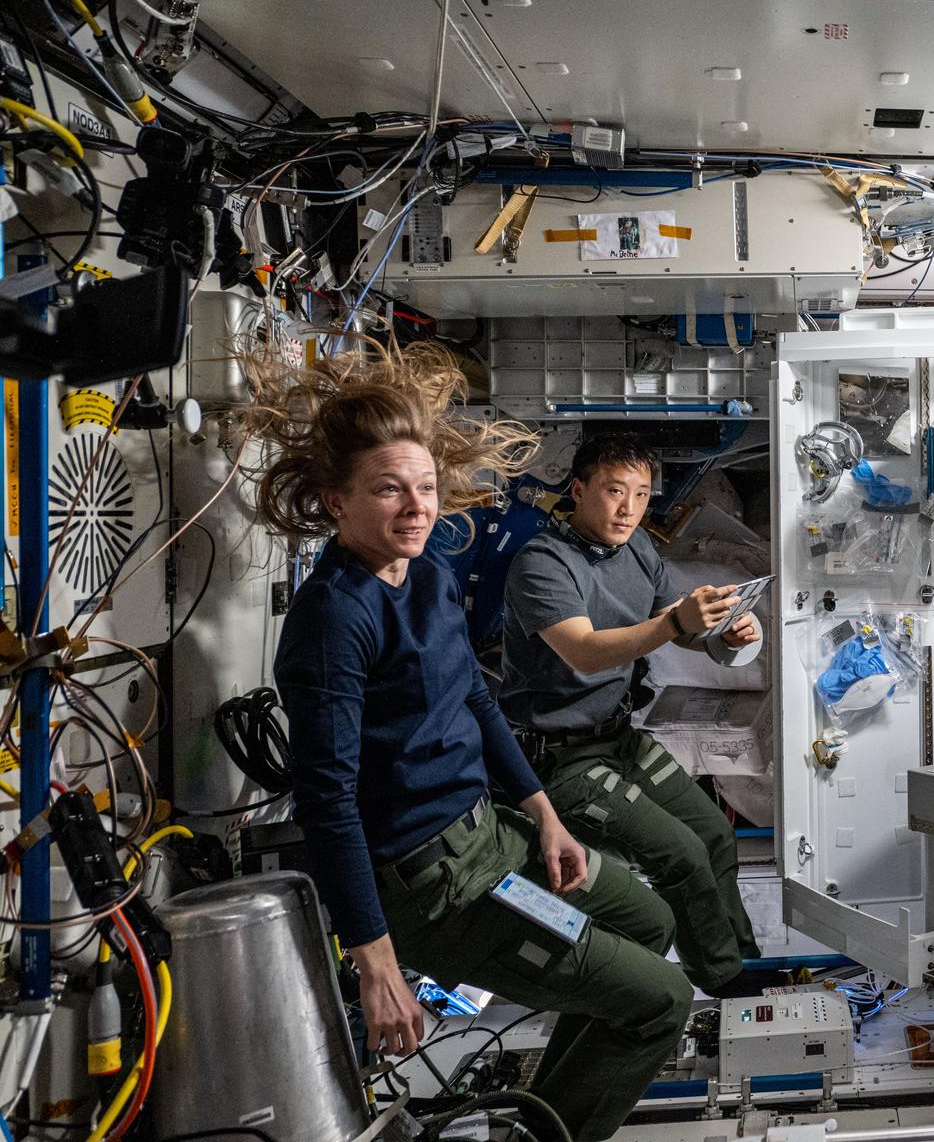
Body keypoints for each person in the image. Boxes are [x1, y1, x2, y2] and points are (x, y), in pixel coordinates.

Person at [249, 343, 691, 1142]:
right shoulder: (332, 620)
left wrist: (545, 813)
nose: (416, 508)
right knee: (662, 1002)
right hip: (431, 888)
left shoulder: (426, 573)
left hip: (492, 838)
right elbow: (327, 801)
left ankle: (535, 1121)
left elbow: (475, 702)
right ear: (334, 501)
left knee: (650, 924)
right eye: (389, 490)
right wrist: (375, 960)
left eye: (424, 488)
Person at [500, 433, 770, 998]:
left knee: (713, 837)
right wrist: (677, 625)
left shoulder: (638, 551)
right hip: (560, 760)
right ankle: (724, 983)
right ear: (578, 490)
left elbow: (671, 621)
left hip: (621, 737)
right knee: (682, 856)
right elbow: (586, 650)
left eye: (642, 495)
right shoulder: (542, 564)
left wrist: (723, 635)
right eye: (614, 491)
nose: (628, 509)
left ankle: (746, 960)